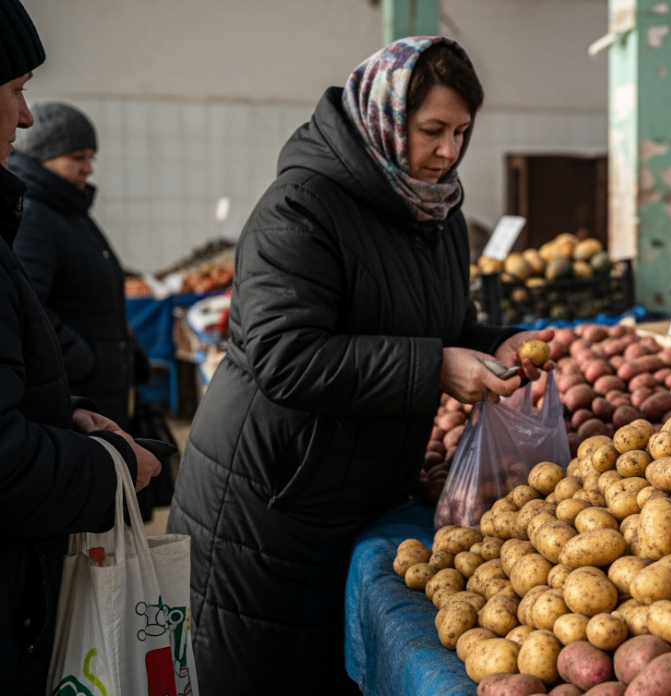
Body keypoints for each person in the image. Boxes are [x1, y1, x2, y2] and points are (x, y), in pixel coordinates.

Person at [166, 37, 551, 694]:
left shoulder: (436, 209)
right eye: (432, 131)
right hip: (269, 503)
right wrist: (432, 368)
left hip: (346, 495)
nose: (449, 152)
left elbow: (434, 324)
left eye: (462, 132)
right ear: (383, 118)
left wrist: (498, 343)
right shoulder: (302, 207)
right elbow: (283, 356)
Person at [0, 1, 162, 692]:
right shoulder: (35, 219)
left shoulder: (57, 215)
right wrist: (116, 463)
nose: (26, 116)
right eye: (14, 90)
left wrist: (59, 408)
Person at [9, 103, 161, 519]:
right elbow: (32, 309)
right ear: (43, 156)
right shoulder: (37, 218)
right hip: (78, 398)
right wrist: (85, 359)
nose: (88, 169)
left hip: (103, 394)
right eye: (77, 158)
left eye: (91, 158)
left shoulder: (71, 212)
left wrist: (130, 353)